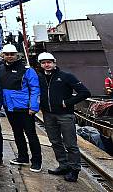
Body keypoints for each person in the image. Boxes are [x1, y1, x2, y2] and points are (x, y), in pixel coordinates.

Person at [37, 52, 91, 182]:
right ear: (40, 65)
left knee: (70, 144)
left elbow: (85, 92)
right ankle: (63, 165)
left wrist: (67, 102)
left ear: (54, 62)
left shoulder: (66, 76)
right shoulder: (39, 78)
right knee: (55, 142)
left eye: (49, 62)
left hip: (65, 115)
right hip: (48, 115)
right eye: (44, 63)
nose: (47, 65)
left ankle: (74, 170)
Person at [0, 44, 42, 172]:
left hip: (24, 108)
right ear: (3, 56)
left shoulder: (27, 70)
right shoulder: (0, 70)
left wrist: (33, 106)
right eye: (7, 54)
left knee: (31, 135)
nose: (10, 56)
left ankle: (36, 161)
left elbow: (35, 88)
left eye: (12, 54)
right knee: (17, 133)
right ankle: (23, 157)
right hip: (9, 108)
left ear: (17, 55)